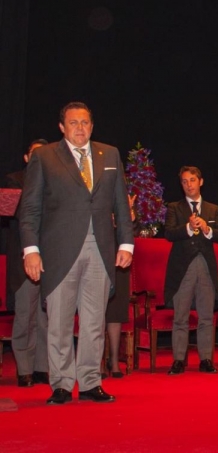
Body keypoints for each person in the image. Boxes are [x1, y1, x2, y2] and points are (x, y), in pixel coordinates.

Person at [18, 102, 133, 404]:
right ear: (61, 127)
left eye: (85, 122)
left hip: (101, 251)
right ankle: (61, 384)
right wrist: (31, 250)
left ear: (92, 126)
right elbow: (29, 209)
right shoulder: (44, 157)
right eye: (73, 123)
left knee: (95, 321)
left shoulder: (109, 154)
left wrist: (126, 243)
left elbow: (121, 203)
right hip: (58, 252)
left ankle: (91, 381)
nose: (80, 128)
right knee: (59, 322)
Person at [163, 166, 218, 375]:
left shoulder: (212, 208)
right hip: (183, 268)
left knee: (206, 316)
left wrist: (207, 229)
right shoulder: (175, 208)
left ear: (201, 182)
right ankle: (179, 360)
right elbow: (169, 234)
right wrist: (189, 228)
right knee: (180, 316)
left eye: (192, 180)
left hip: (206, 267)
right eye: (184, 181)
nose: (188, 184)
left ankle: (206, 359)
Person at [3, 139, 49, 387]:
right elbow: (23, 212)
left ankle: (42, 367)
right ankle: (24, 369)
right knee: (25, 316)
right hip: (24, 260)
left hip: (50, 259)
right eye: (35, 154)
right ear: (26, 157)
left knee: (46, 317)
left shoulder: (55, 180)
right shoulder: (15, 179)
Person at [103, 193, 136, 379]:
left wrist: (128, 217)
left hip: (119, 260)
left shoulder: (122, 197)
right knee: (96, 313)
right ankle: (97, 362)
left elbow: (131, 233)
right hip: (97, 255)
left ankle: (114, 361)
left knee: (115, 312)